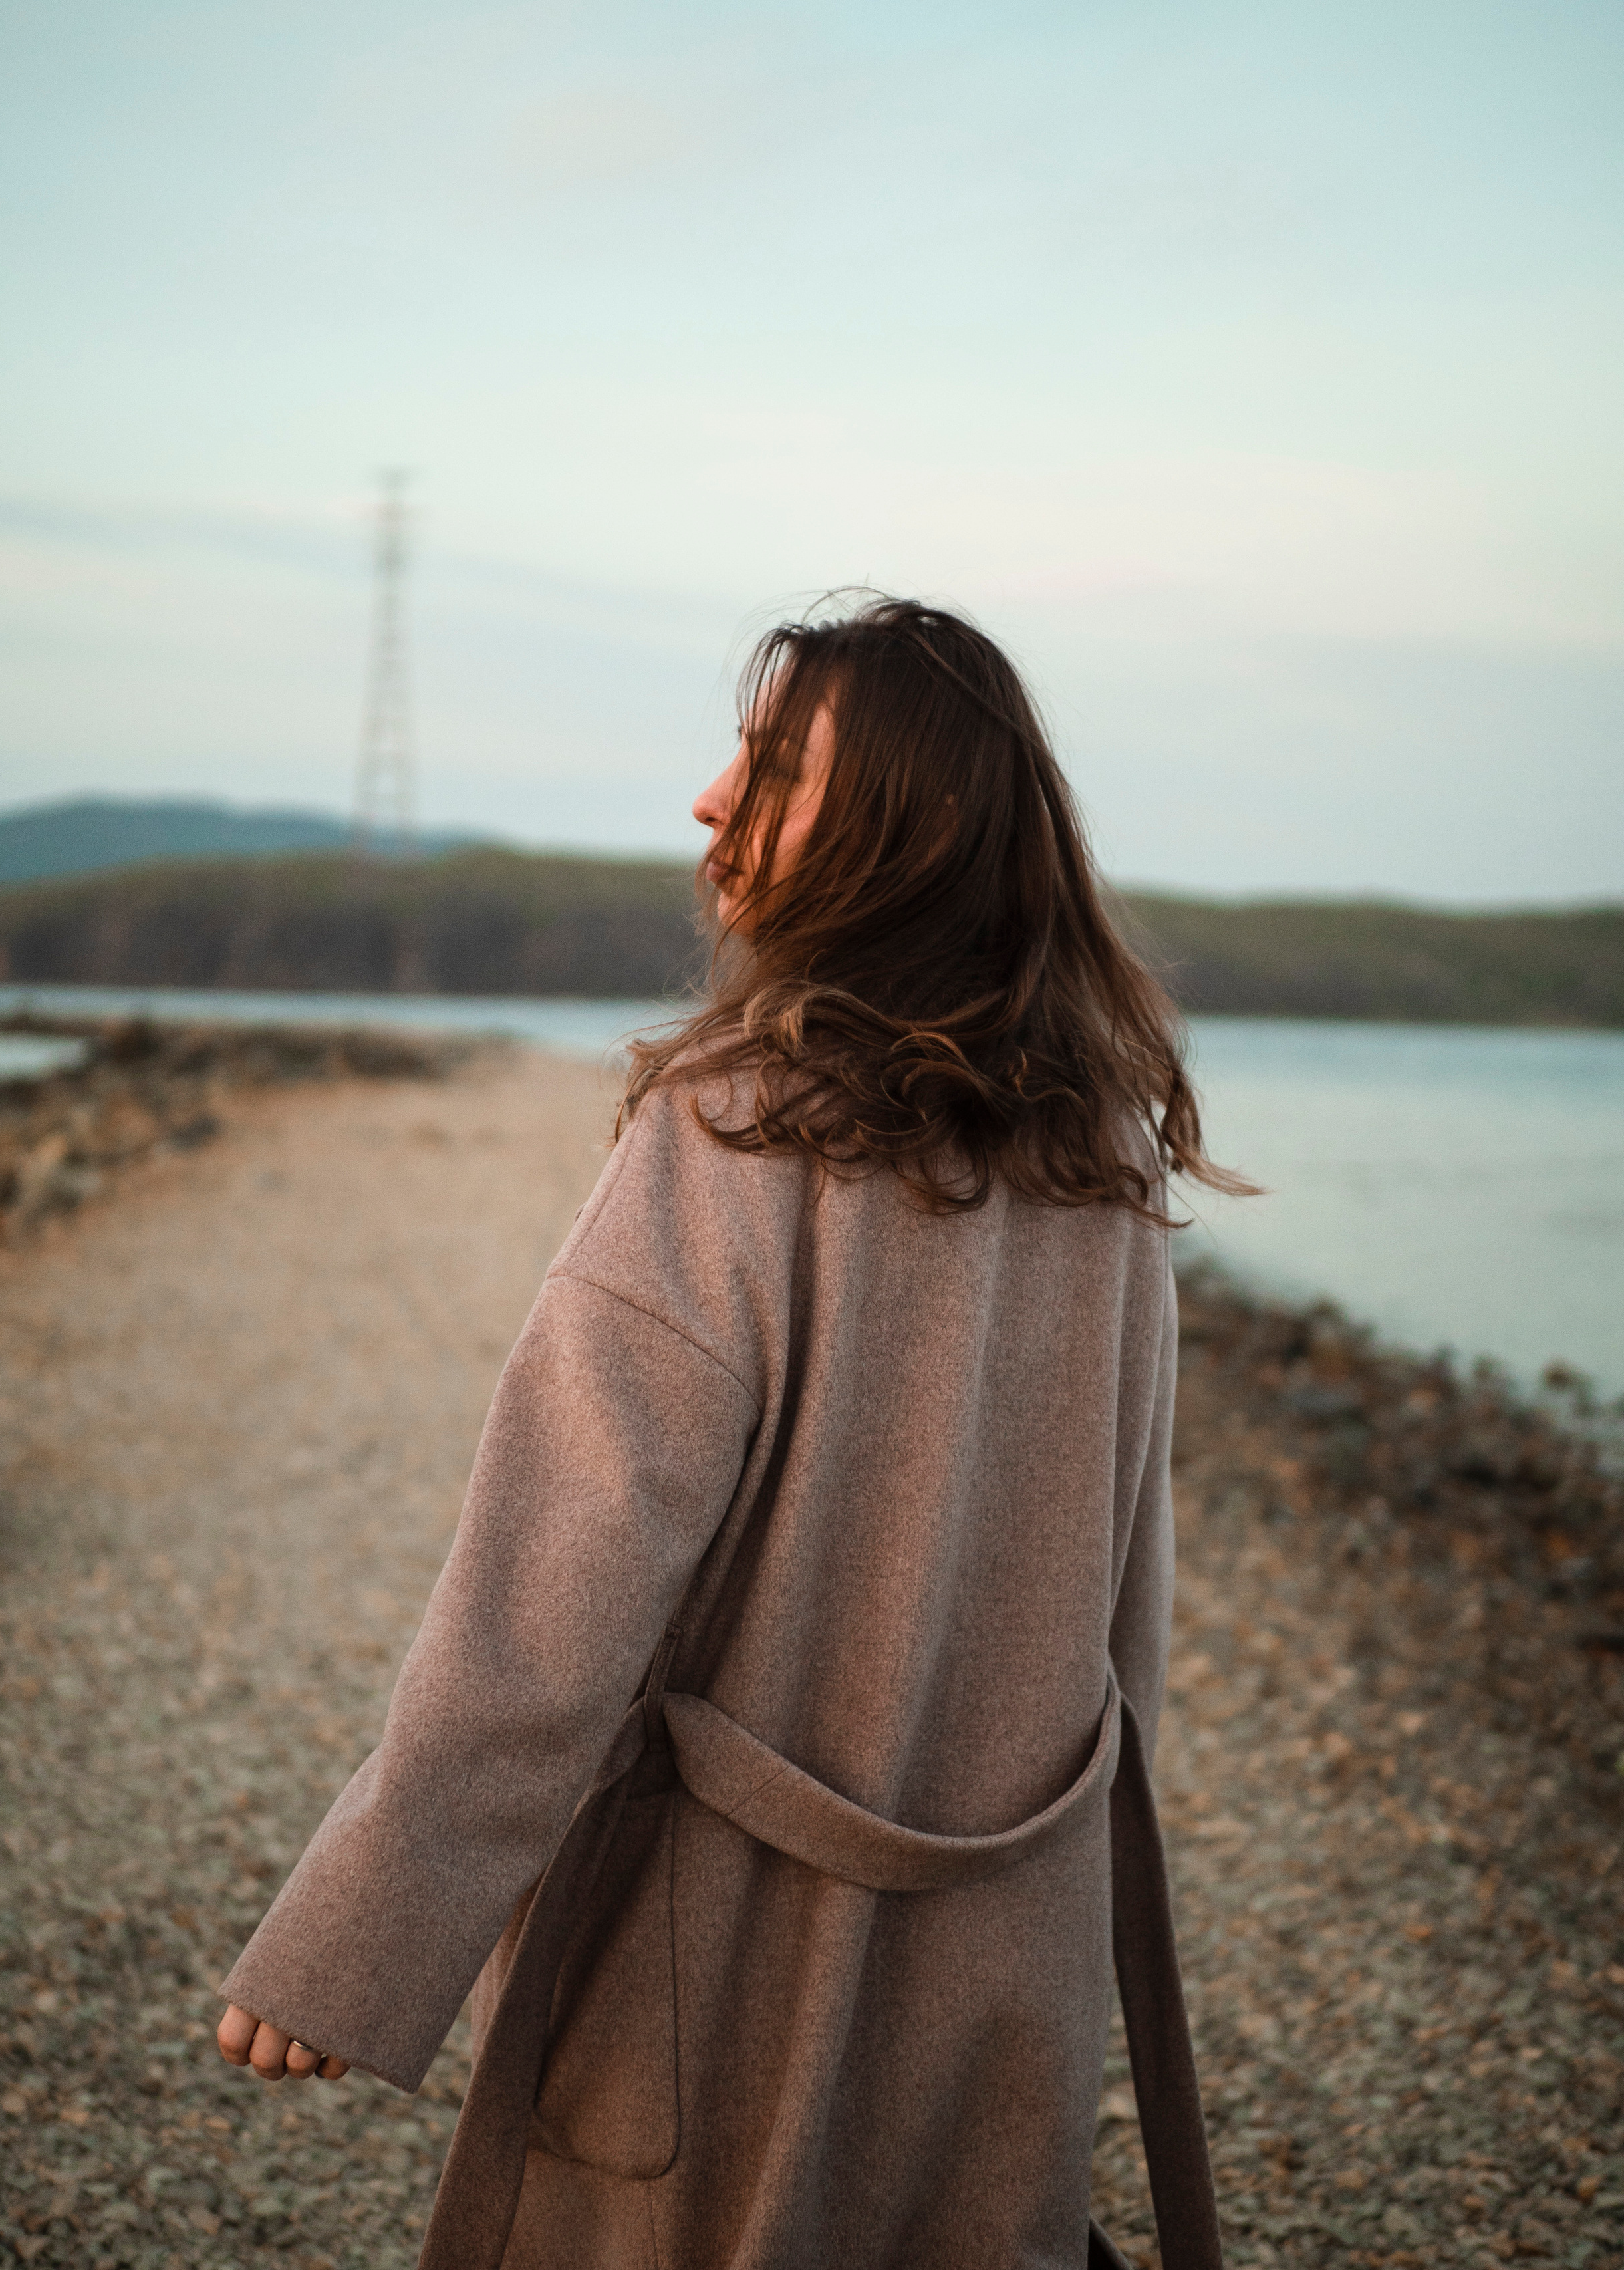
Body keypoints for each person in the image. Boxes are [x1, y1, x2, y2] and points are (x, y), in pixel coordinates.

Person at [217, 596, 1241, 2269]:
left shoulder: (730, 1134)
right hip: (998, 1954)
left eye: (768, 769)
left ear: (898, 831)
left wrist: (361, 1928)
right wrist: (1071, 1908)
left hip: (726, 1960)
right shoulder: (1102, 1165)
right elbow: (1129, 1636)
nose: (707, 800)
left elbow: (549, 1606)